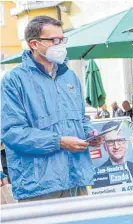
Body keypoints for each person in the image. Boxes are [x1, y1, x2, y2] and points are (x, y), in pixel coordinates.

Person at [1, 16, 103, 202]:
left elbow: (80, 119)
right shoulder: (14, 80)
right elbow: (12, 133)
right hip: (39, 185)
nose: (61, 44)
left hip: (76, 179)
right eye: (54, 40)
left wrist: (91, 134)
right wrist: (59, 142)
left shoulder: (70, 77)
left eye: (62, 39)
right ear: (34, 44)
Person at [97, 121, 133, 186]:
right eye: (110, 142)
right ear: (104, 146)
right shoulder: (99, 175)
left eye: (120, 140)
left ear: (127, 142)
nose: (116, 146)